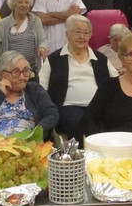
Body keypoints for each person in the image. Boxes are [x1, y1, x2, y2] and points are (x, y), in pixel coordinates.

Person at [39, 15, 117, 144]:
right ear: (67, 34)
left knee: (108, 121)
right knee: (81, 123)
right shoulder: (54, 59)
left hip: (97, 106)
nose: (82, 36)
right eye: (77, 32)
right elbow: (41, 87)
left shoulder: (100, 59)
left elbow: (116, 82)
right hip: (68, 107)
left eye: (86, 33)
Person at [0, 51, 59, 140]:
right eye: (16, 72)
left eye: (26, 71)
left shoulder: (35, 90)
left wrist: (35, 134)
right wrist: (0, 94)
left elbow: (52, 114)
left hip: (29, 145)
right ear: (1, 74)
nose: (22, 77)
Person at [0, 0, 49, 76]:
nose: (24, 5)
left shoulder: (35, 21)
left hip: (30, 70)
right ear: (13, 4)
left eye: (26, 2)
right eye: (20, 2)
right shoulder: (3, 23)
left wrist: (42, 48)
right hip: (8, 70)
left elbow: (43, 40)